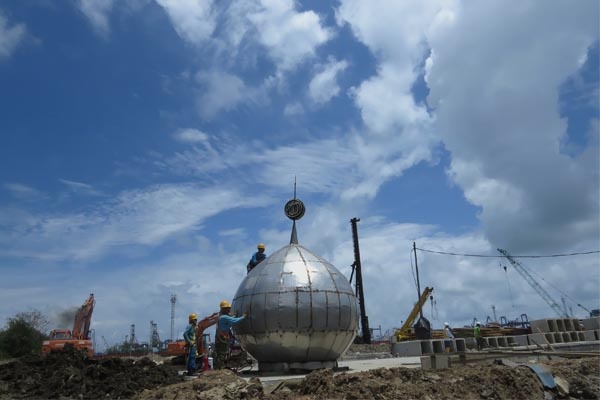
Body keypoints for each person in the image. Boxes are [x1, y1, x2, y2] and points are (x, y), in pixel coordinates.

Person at [214, 300, 247, 369]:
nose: (229, 309)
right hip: (222, 338)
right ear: (224, 309)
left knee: (219, 353)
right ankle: (220, 368)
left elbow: (230, 320)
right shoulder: (224, 317)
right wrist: (243, 317)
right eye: (228, 308)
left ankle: (218, 368)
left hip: (219, 337)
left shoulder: (220, 317)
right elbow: (234, 321)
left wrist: (234, 316)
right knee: (222, 354)